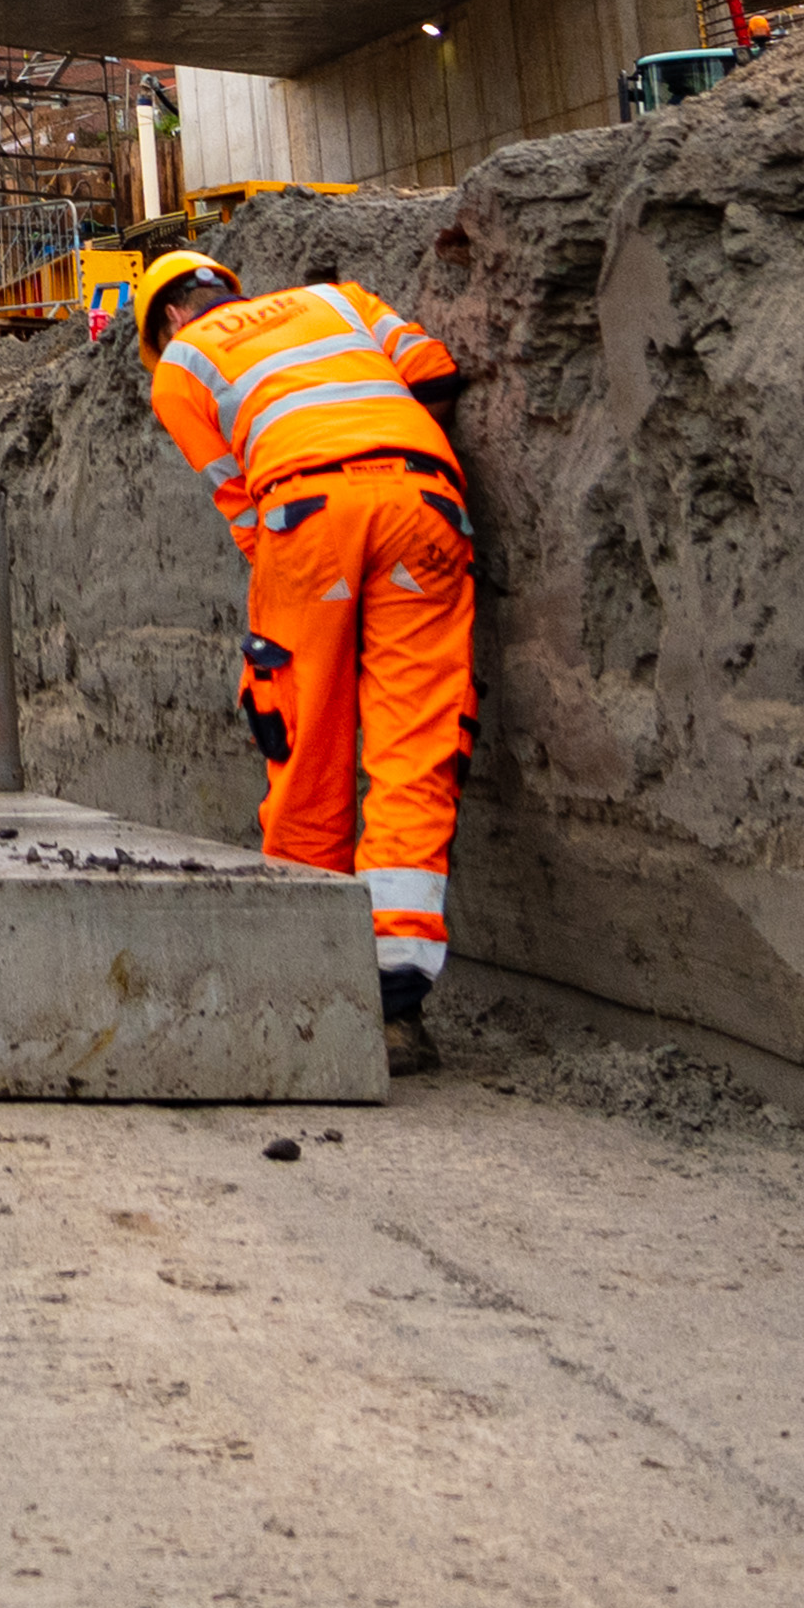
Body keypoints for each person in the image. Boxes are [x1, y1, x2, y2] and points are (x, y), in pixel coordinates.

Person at [126, 253, 479, 1042]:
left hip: (306, 516)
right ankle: (396, 999)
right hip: (426, 502)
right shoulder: (340, 300)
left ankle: (309, 971)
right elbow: (435, 376)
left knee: (303, 734)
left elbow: (242, 507)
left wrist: (316, 591)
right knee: (417, 738)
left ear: (169, 321)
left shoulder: (182, 365)